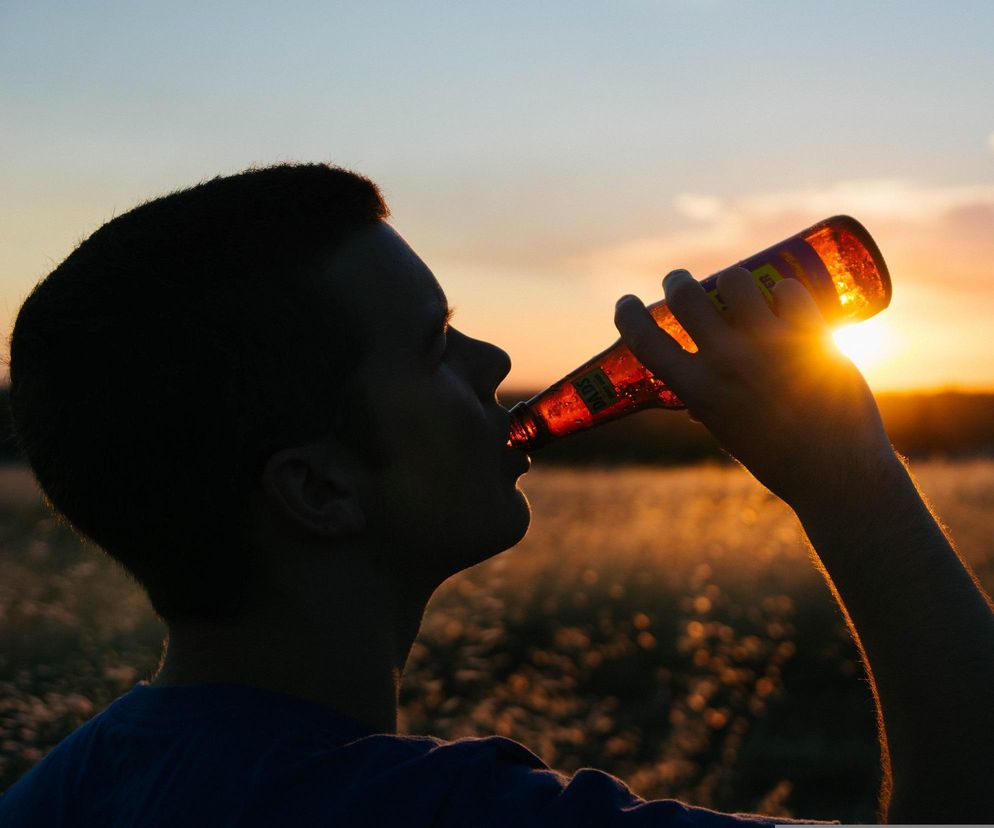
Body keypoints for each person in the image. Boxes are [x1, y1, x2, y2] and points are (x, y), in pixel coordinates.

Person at [1, 163, 992, 826]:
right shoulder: (445, 816)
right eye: (436, 345)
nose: (497, 361)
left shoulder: (63, 791)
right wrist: (853, 487)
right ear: (318, 489)